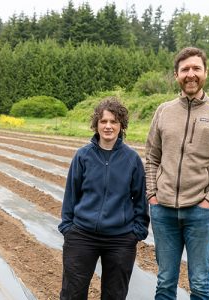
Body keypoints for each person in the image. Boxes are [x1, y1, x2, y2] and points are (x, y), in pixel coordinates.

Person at [145, 47, 209, 300]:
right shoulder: (163, 111)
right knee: (165, 282)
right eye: (185, 69)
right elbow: (152, 157)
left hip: (201, 213)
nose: (191, 74)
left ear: (205, 73)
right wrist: (152, 195)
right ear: (176, 74)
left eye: (196, 68)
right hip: (163, 211)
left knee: (199, 283)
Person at [58, 97, 150, 300]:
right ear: (96, 124)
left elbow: (140, 199)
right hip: (82, 236)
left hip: (120, 239)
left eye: (114, 122)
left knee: (115, 296)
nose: (108, 126)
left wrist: (136, 232)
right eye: (103, 121)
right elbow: (71, 195)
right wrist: (68, 229)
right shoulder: (83, 156)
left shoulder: (131, 159)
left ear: (121, 126)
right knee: (72, 294)